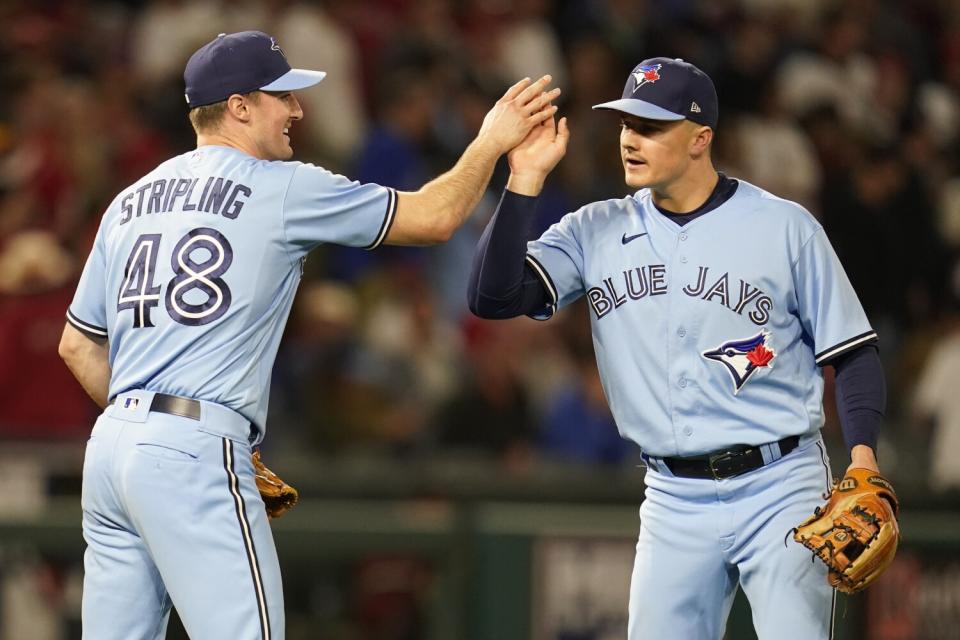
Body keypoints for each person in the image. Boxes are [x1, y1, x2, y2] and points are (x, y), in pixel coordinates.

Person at [58, 30, 559, 640]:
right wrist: (490, 142)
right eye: (281, 96)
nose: (297, 109)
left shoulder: (129, 200)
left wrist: (146, 428)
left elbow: (79, 345)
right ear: (239, 106)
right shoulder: (282, 186)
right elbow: (435, 218)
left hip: (110, 449)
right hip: (194, 447)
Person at [467, 57, 888, 639]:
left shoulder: (784, 227)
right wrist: (524, 180)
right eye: (624, 125)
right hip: (671, 496)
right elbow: (493, 297)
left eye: (650, 127)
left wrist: (863, 457)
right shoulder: (594, 229)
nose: (630, 140)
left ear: (701, 139)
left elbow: (853, 352)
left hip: (781, 485)